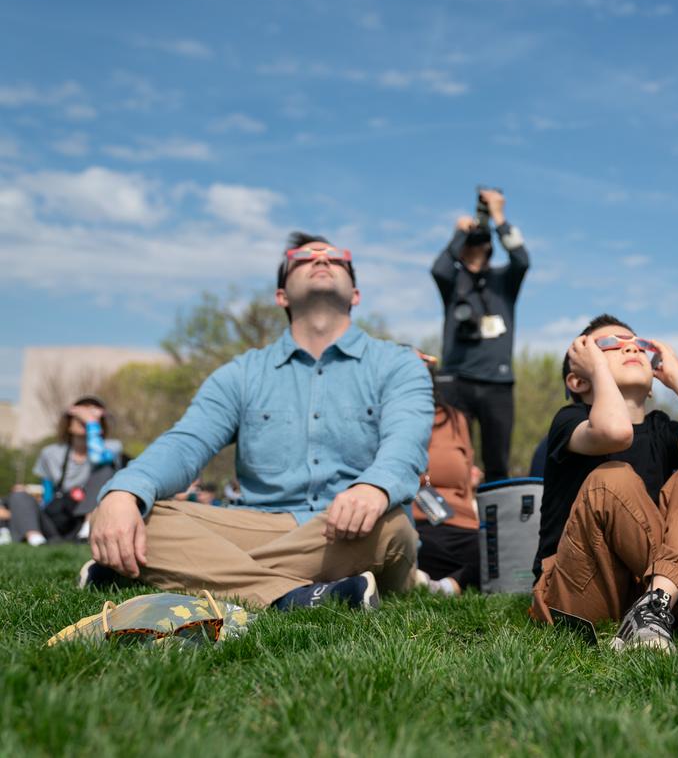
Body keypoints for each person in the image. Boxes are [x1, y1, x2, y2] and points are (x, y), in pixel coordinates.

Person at [85, 232, 433, 611]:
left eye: (336, 258)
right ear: (281, 295)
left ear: (356, 294)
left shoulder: (399, 365)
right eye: (303, 258)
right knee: (147, 515)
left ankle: (162, 567)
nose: (321, 260)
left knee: (393, 525)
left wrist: (374, 488)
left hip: (353, 528)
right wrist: (124, 493)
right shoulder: (241, 373)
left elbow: (405, 445)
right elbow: (184, 445)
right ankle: (294, 597)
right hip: (257, 525)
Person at [531, 314, 678, 653]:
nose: (630, 346)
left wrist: (677, 378)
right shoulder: (571, 421)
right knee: (611, 479)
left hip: (643, 587)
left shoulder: (661, 429)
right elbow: (615, 432)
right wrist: (598, 371)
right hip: (576, 588)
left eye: (638, 344)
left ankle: (656, 605)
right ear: (578, 380)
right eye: (607, 345)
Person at [432, 188, 529, 482]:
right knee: (451, 454)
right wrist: (458, 234)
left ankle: (496, 519)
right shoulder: (454, 281)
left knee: (497, 460)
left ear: (490, 246)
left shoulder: (503, 281)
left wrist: (498, 218)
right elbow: (439, 269)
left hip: (496, 383)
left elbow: (521, 259)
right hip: (456, 380)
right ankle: (459, 515)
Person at [8, 395, 125, 545]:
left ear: (99, 426)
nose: (84, 422)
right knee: (19, 495)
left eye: (89, 420)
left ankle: (87, 530)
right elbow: (47, 492)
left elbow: (97, 458)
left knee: (104, 470)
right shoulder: (50, 453)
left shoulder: (112, 447)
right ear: (68, 424)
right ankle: (36, 540)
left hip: (88, 518)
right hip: (56, 517)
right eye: (80, 419)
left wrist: (91, 422)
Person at [414, 353, 482, 595]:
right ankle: (447, 582)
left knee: (491, 550)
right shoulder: (381, 420)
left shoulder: (456, 420)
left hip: (461, 524)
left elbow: (465, 479)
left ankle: (444, 586)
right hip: (413, 523)